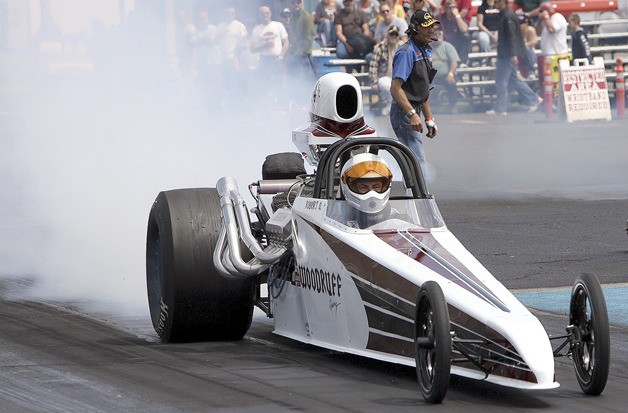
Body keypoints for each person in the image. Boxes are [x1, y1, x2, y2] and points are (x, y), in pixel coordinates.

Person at [389, 10, 439, 179]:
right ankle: (417, 198)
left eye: (432, 25)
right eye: (427, 27)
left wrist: (429, 119)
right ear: (415, 29)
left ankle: (415, 195)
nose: (431, 30)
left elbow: (422, 90)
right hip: (404, 112)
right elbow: (395, 89)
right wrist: (412, 114)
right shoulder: (407, 52)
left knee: (414, 161)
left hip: (413, 110)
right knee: (416, 161)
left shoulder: (426, 51)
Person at [486, 0, 542, 115]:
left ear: (502, 2)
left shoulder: (507, 16)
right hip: (506, 52)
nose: (494, 4)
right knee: (514, 80)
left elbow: (511, 36)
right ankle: (534, 99)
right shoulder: (506, 14)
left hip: (506, 54)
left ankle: (500, 109)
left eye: (496, 1)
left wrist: (512, 54)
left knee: (501, 81)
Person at [340, 153, 394, 228]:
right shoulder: (335, 222)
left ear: (384, 186)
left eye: (376, 186)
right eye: (363, 187)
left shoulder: (398, 219)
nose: (371, 193)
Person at [250, 6, 290, 105]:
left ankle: (281, 106)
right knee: (265, 85)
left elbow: (286, 43)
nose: (265, 15)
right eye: (263, 13)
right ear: (259, 15)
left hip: (277, 59)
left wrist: (281, 55)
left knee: (279, 83)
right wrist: (264, 44)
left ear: (270, 13)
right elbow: (252, 48)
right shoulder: (257, 30)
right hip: (265, 60)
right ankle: (267, 107)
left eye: (267, 13)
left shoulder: (278, 26)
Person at [369, 25, 403, 115]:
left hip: (400, 78)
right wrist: (374, 82)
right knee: (388, 84)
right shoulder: (379, 47)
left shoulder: (403, 48)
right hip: (384, 78)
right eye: (391, 34)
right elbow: (373, 66)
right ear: (387, 35)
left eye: (396, 35)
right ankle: (391, 105)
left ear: (399, 37)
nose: (393, 37)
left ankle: (395, 106)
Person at [430, 25, 460, 112]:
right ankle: (426, 107)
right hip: (430, 76)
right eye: (435, 34)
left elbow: (454, 61)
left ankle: (453, 105)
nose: (437, 36)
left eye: (439, 34)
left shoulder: (448, 46)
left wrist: (451, 74)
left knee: (451, 82)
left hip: (445, 75)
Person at [438, 0, 471, 65]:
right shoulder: (440, 18)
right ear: (445, 9)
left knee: (466, 37)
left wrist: (457, 16)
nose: (451, 10)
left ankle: (462, 63)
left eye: (453, 7)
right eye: (449, 8)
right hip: (444, 42)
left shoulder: (458, 17)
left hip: (456, 42)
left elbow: (464, 29)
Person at [519, 13, 538, 78]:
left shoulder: (530, 29)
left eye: (521, 23)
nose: (520, 26)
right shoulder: (516, 30)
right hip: (518, 51)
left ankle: (531, 72)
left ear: (526, 23)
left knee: (527, 50)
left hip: (529, 51)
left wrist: (525, 44)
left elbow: (535, 41)